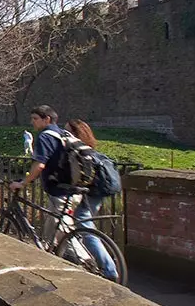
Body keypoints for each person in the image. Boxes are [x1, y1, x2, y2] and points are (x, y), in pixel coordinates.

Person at [8, 105, 77, 251]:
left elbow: (39, 165)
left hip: (59, 190)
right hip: (73, 186)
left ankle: (88, 260)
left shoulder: (46, 136)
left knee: (62, 230)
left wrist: (24, 183)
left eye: (35, 119)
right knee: (55, 231)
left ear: (47, 119)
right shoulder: (63, 134)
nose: (32, 122)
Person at [65, 119, 120, 279]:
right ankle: (82, 253)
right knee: (82, 222)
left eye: (68, 131)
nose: (65, 134)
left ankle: (109, 269)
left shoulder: (79, 151)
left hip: (92, 192)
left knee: (84, 225)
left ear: (76, 134)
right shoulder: (91, 150)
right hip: (99, 192)